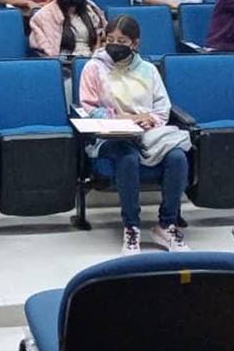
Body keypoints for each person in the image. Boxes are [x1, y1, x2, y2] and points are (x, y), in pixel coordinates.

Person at [79, 15, 193, 254]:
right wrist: (120, 119)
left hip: (149, 134)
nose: (114, 44)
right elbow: (88, 108)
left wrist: (150, 120)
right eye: (110, 39)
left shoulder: (148, 70)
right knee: (127, 158)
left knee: (177, 157)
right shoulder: (93, 67)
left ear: (135, 44)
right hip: (111, 135)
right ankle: (131, 227)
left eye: (121, 40)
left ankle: (166, 224)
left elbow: (163, 108)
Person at [29, 0, 105, 58]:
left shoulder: (89, 8)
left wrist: (95, 58)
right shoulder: (45, 15)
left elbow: (99, 36)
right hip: (65, 62)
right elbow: (48, 49)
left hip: (91, 59)